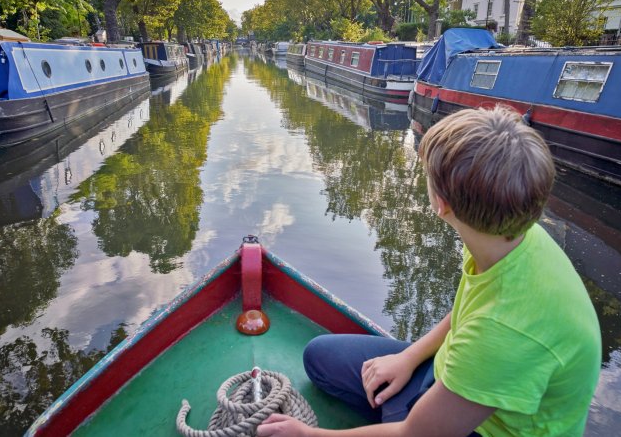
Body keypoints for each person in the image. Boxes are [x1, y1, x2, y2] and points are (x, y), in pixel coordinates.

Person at [258, 106, 602, 437]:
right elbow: (469, 309)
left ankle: (396, 409)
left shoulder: (504, 330)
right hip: (457, 372)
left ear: (441, 204)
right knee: (319, 358)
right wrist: (407, 358)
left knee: (404, 419)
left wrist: (308, 434)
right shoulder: (509, 234)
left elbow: (416, 432)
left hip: (488, 427)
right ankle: (398, 404)